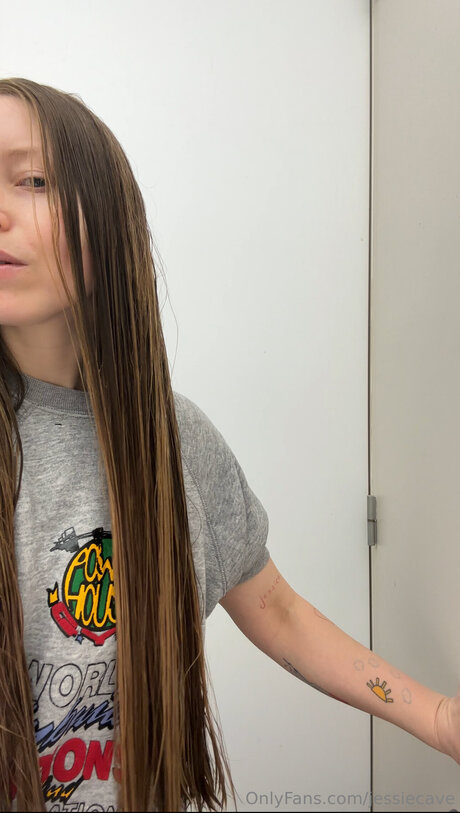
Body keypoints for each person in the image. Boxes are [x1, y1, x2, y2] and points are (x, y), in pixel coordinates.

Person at [0, 77, 458, 813]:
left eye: (33, 180)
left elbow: (277, 609)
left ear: (107, 215)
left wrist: (436, 718)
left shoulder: (176, 441)